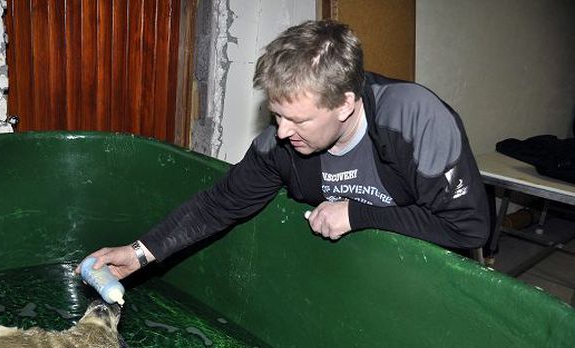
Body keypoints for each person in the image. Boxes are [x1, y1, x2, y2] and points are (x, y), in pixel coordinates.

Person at [77, 20, 490, 279]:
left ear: (345, 103)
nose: (282, 131)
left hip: (435, 274)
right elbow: (217, 206)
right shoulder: (280, 141)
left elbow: (468, 229)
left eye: (299, 120)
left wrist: (357, 213)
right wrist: (138, 253)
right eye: (276, 114)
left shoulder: (416, 118)